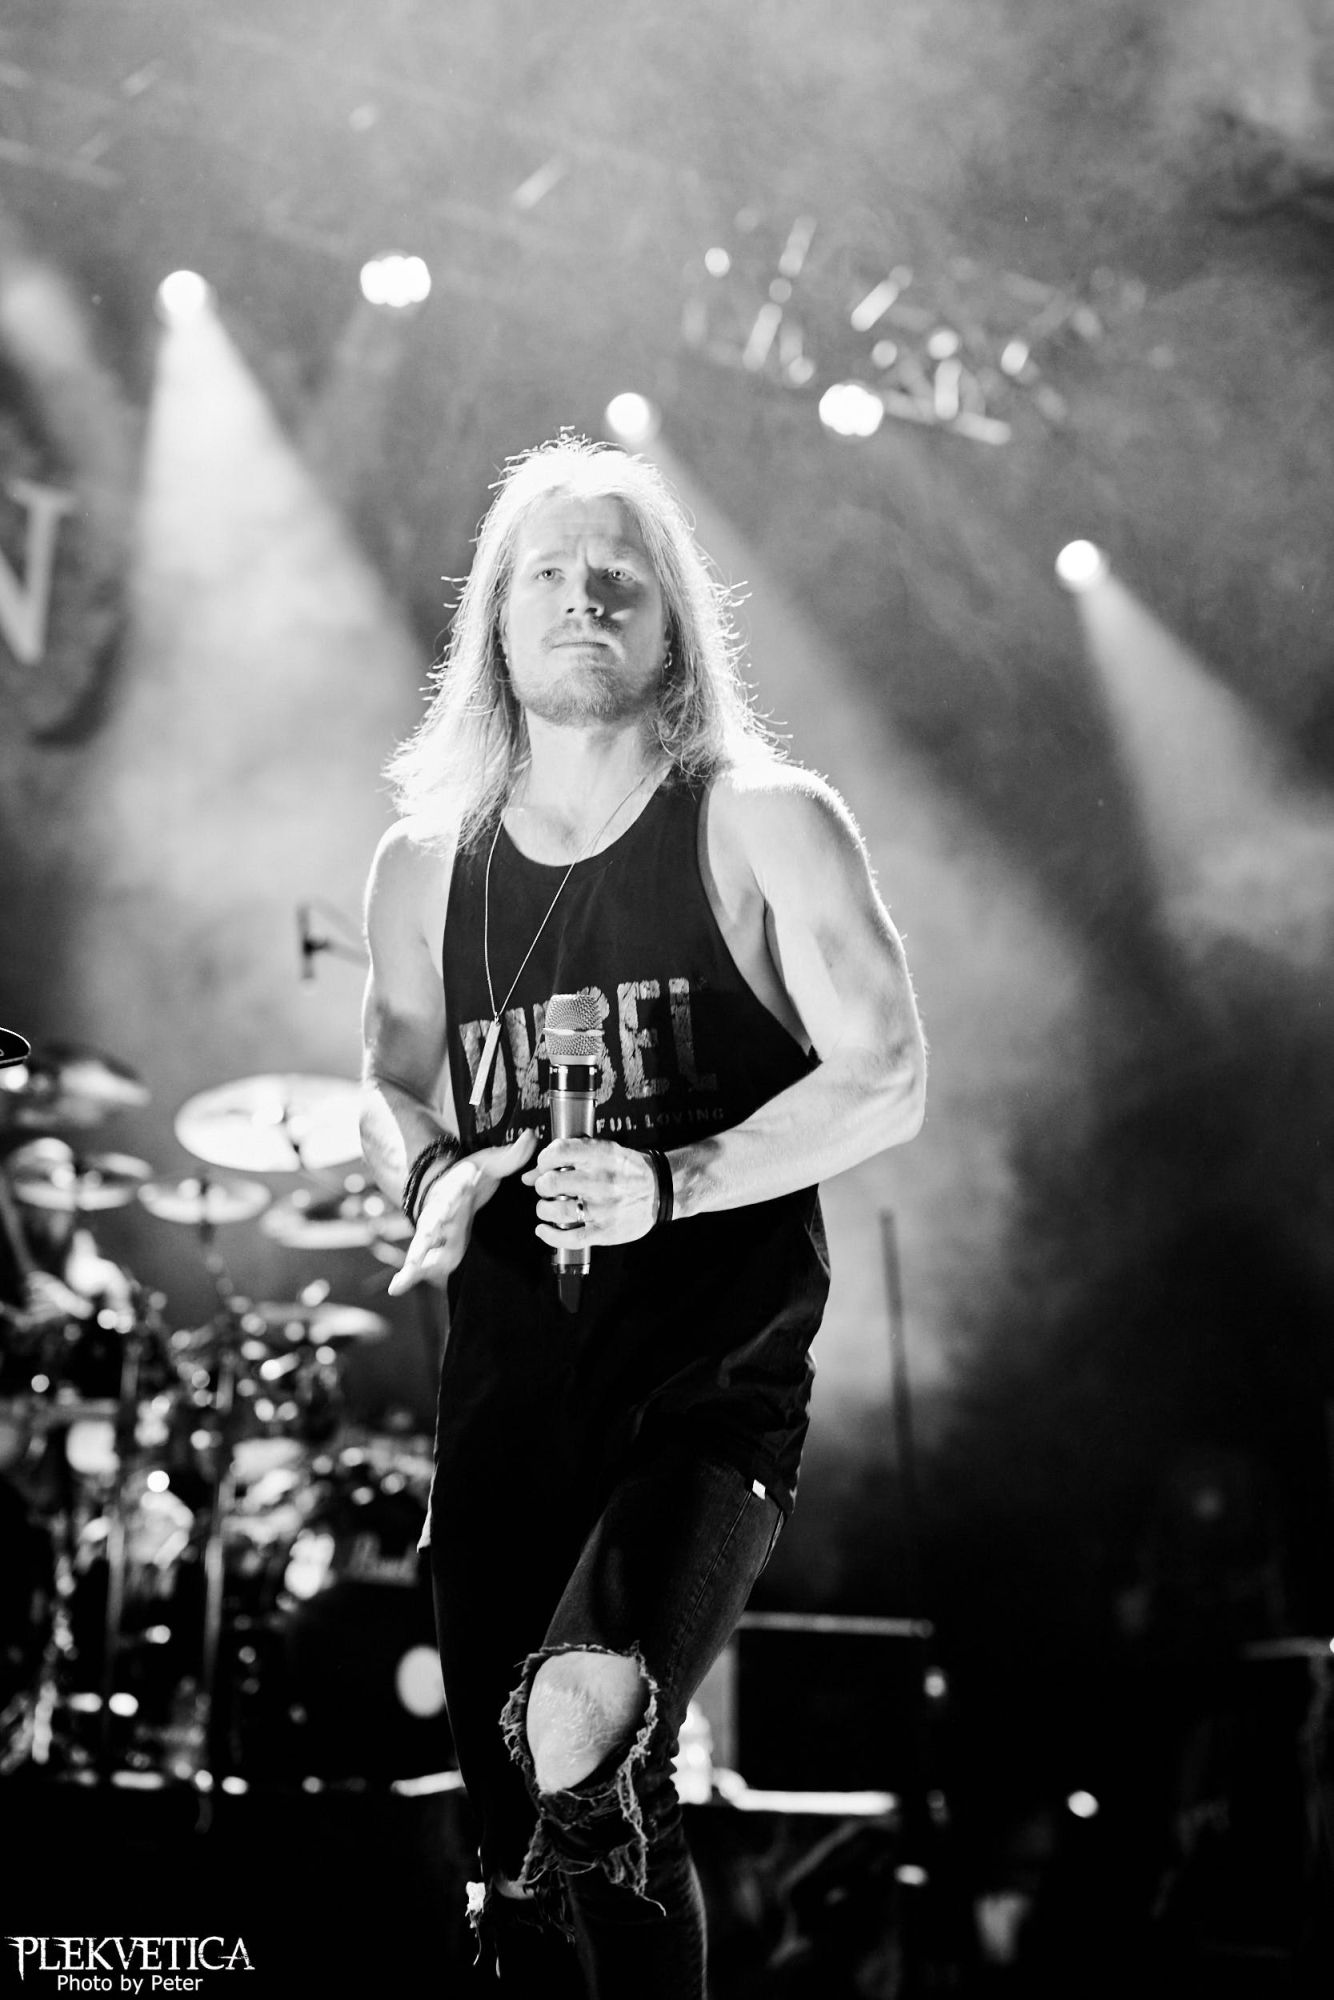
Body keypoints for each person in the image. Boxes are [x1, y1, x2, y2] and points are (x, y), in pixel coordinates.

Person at [359, 435, 926, 1996]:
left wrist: (679, 1177)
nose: (582, 598)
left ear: (675, 619)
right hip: (505, 1401)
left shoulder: (760, 820)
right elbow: (387, 1075)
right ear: (492, 617)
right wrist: (432, 1174)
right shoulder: (424, 866)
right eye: (546, 572)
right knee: (525, 1854)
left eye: (619, 574)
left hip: (704, 1395)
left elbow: (886, 1075)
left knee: (584, 1720)